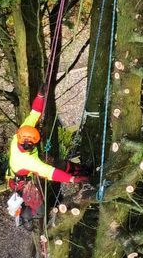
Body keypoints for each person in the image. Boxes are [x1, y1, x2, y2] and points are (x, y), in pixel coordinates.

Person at [7, 92, 89, 227]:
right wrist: (72, 180)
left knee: (60, 164)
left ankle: (82, 170)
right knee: (40, 210)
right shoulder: (27, 161)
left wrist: (40, 96)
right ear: (31, 145)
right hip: (22, 179)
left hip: (23, 168)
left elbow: (35, 112)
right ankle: (25, 217)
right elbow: (52, 173)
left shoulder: (22, 133)